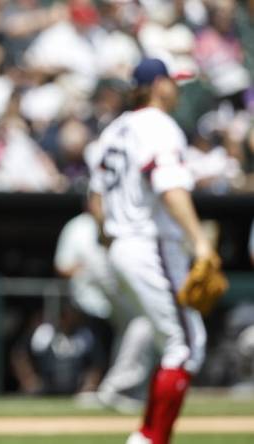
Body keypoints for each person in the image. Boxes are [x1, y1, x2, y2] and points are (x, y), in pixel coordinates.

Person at [89, 58, 215, 444]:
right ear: (158, 84)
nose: (177, 90)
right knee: (187, 345)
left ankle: (147, 437)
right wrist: (200, 240)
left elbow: (95, 201)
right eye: (173, 83)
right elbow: (169, 186)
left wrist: (115, 240)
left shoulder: (113, 131)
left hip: (123, 245)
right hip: (151, 244)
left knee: (174, 345)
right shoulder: (158, 125)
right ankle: (149, 439)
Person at [54, 209, 154, 413]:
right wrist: (85, 270)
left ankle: (119, 389)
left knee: (141, 324)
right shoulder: (78, 226)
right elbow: (62, 266)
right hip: (86, 300)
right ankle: (103, 389)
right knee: (123, 331)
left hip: (118, 297)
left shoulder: (123, 220)